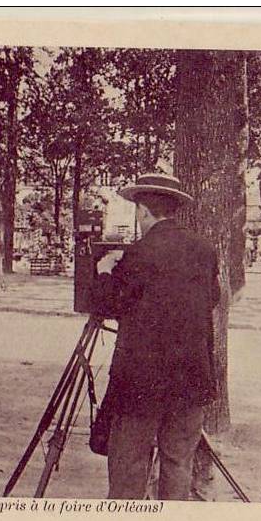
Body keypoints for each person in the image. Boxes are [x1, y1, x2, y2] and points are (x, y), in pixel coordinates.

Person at [92, 173, 220, 501]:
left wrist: (105, 271)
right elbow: (214, 298)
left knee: (130, 463)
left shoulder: (139, 253)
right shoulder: (205, 250)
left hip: (141, 381)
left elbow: (110, 305)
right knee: (178, 462)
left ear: (143, 212)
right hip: (191, 378)